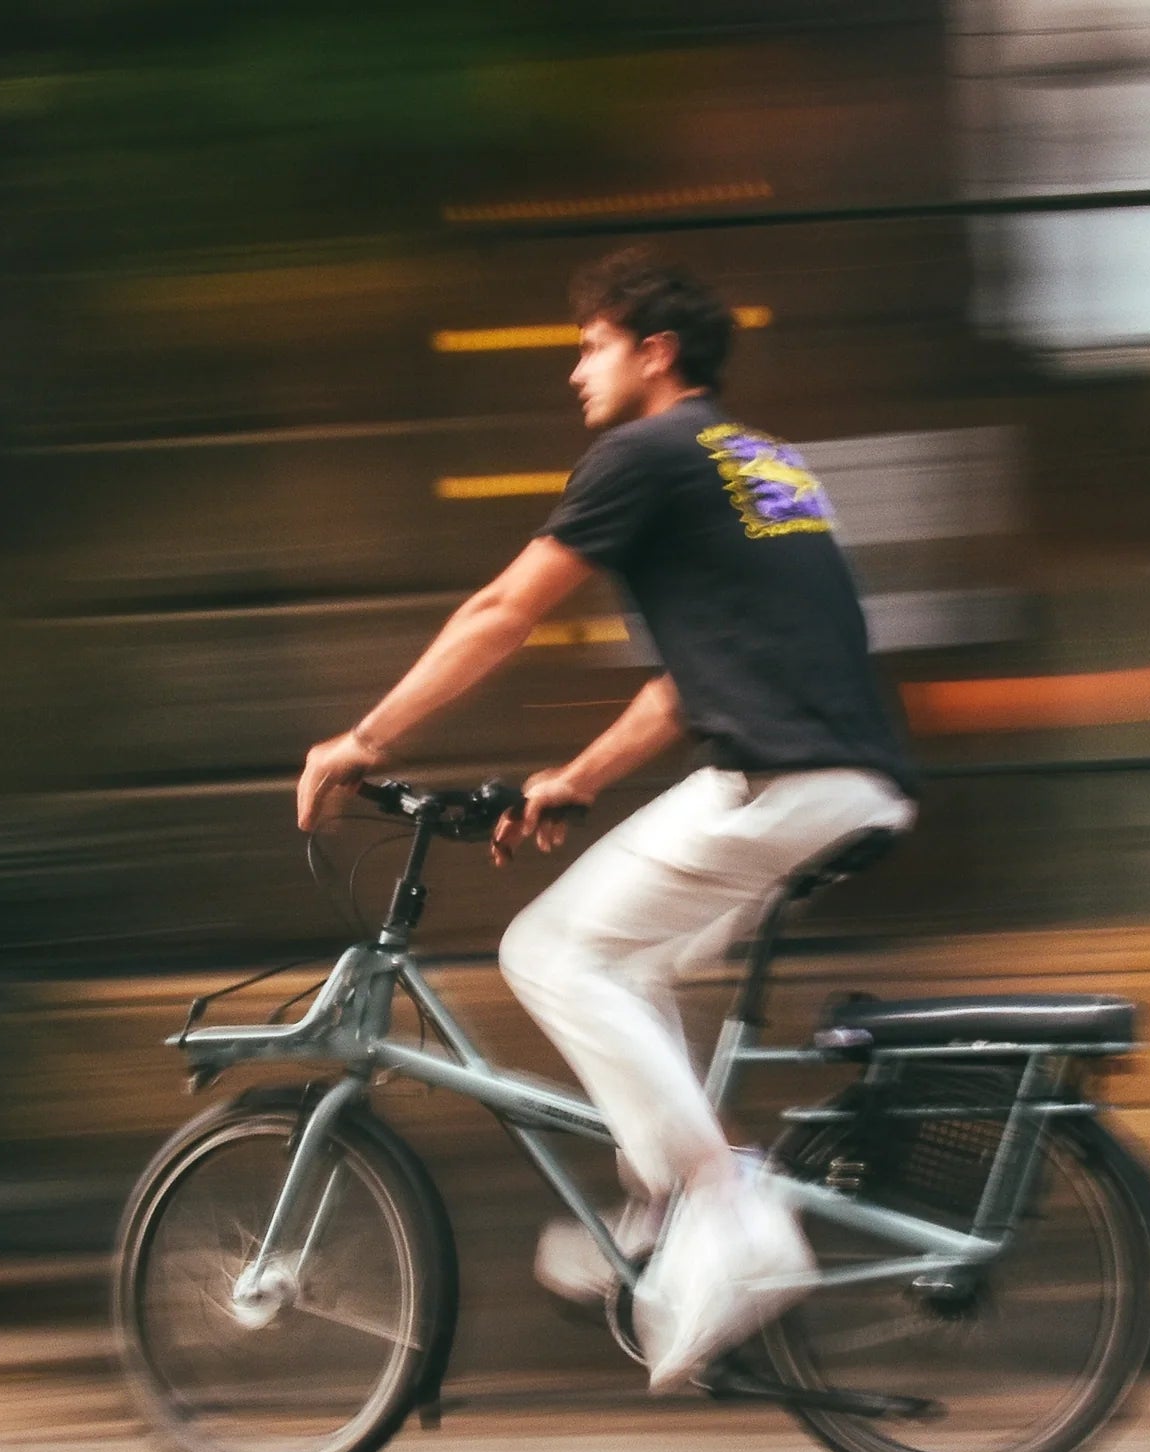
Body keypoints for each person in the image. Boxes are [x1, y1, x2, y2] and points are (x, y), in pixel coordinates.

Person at [293, 248, 917, 1388]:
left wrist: (366, 738)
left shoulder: (645, 452)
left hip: (777, 783)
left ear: (655, 351)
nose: (577, 370)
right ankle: (662, 1205)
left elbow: (503, 610)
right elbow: (693, 681)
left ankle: (724, 1207)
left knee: (550, 948)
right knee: (634, 962)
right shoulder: (762, 462)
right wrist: (578, 774)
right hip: (842, 777)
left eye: (591, 344)